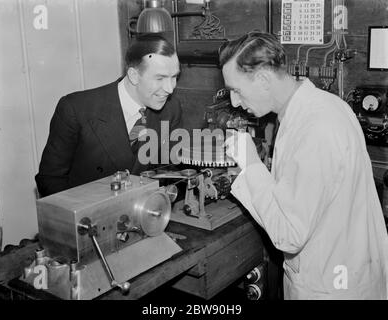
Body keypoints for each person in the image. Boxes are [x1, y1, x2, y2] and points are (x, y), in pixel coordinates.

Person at [221, 31, 388, 299]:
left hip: (332, 286)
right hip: (345, 271)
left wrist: (250, 163)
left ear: (263, 79)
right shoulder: (321, 105)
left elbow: (288, 233)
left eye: (236, 90)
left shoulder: (315, 126)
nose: (235, 102)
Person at [36, 34, 182, 197]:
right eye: (160, 78)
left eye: (174, 77)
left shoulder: (171, 109)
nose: (170, 89)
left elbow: (168, 172)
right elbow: (50, 180)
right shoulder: (76, 109)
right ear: (134, 75)